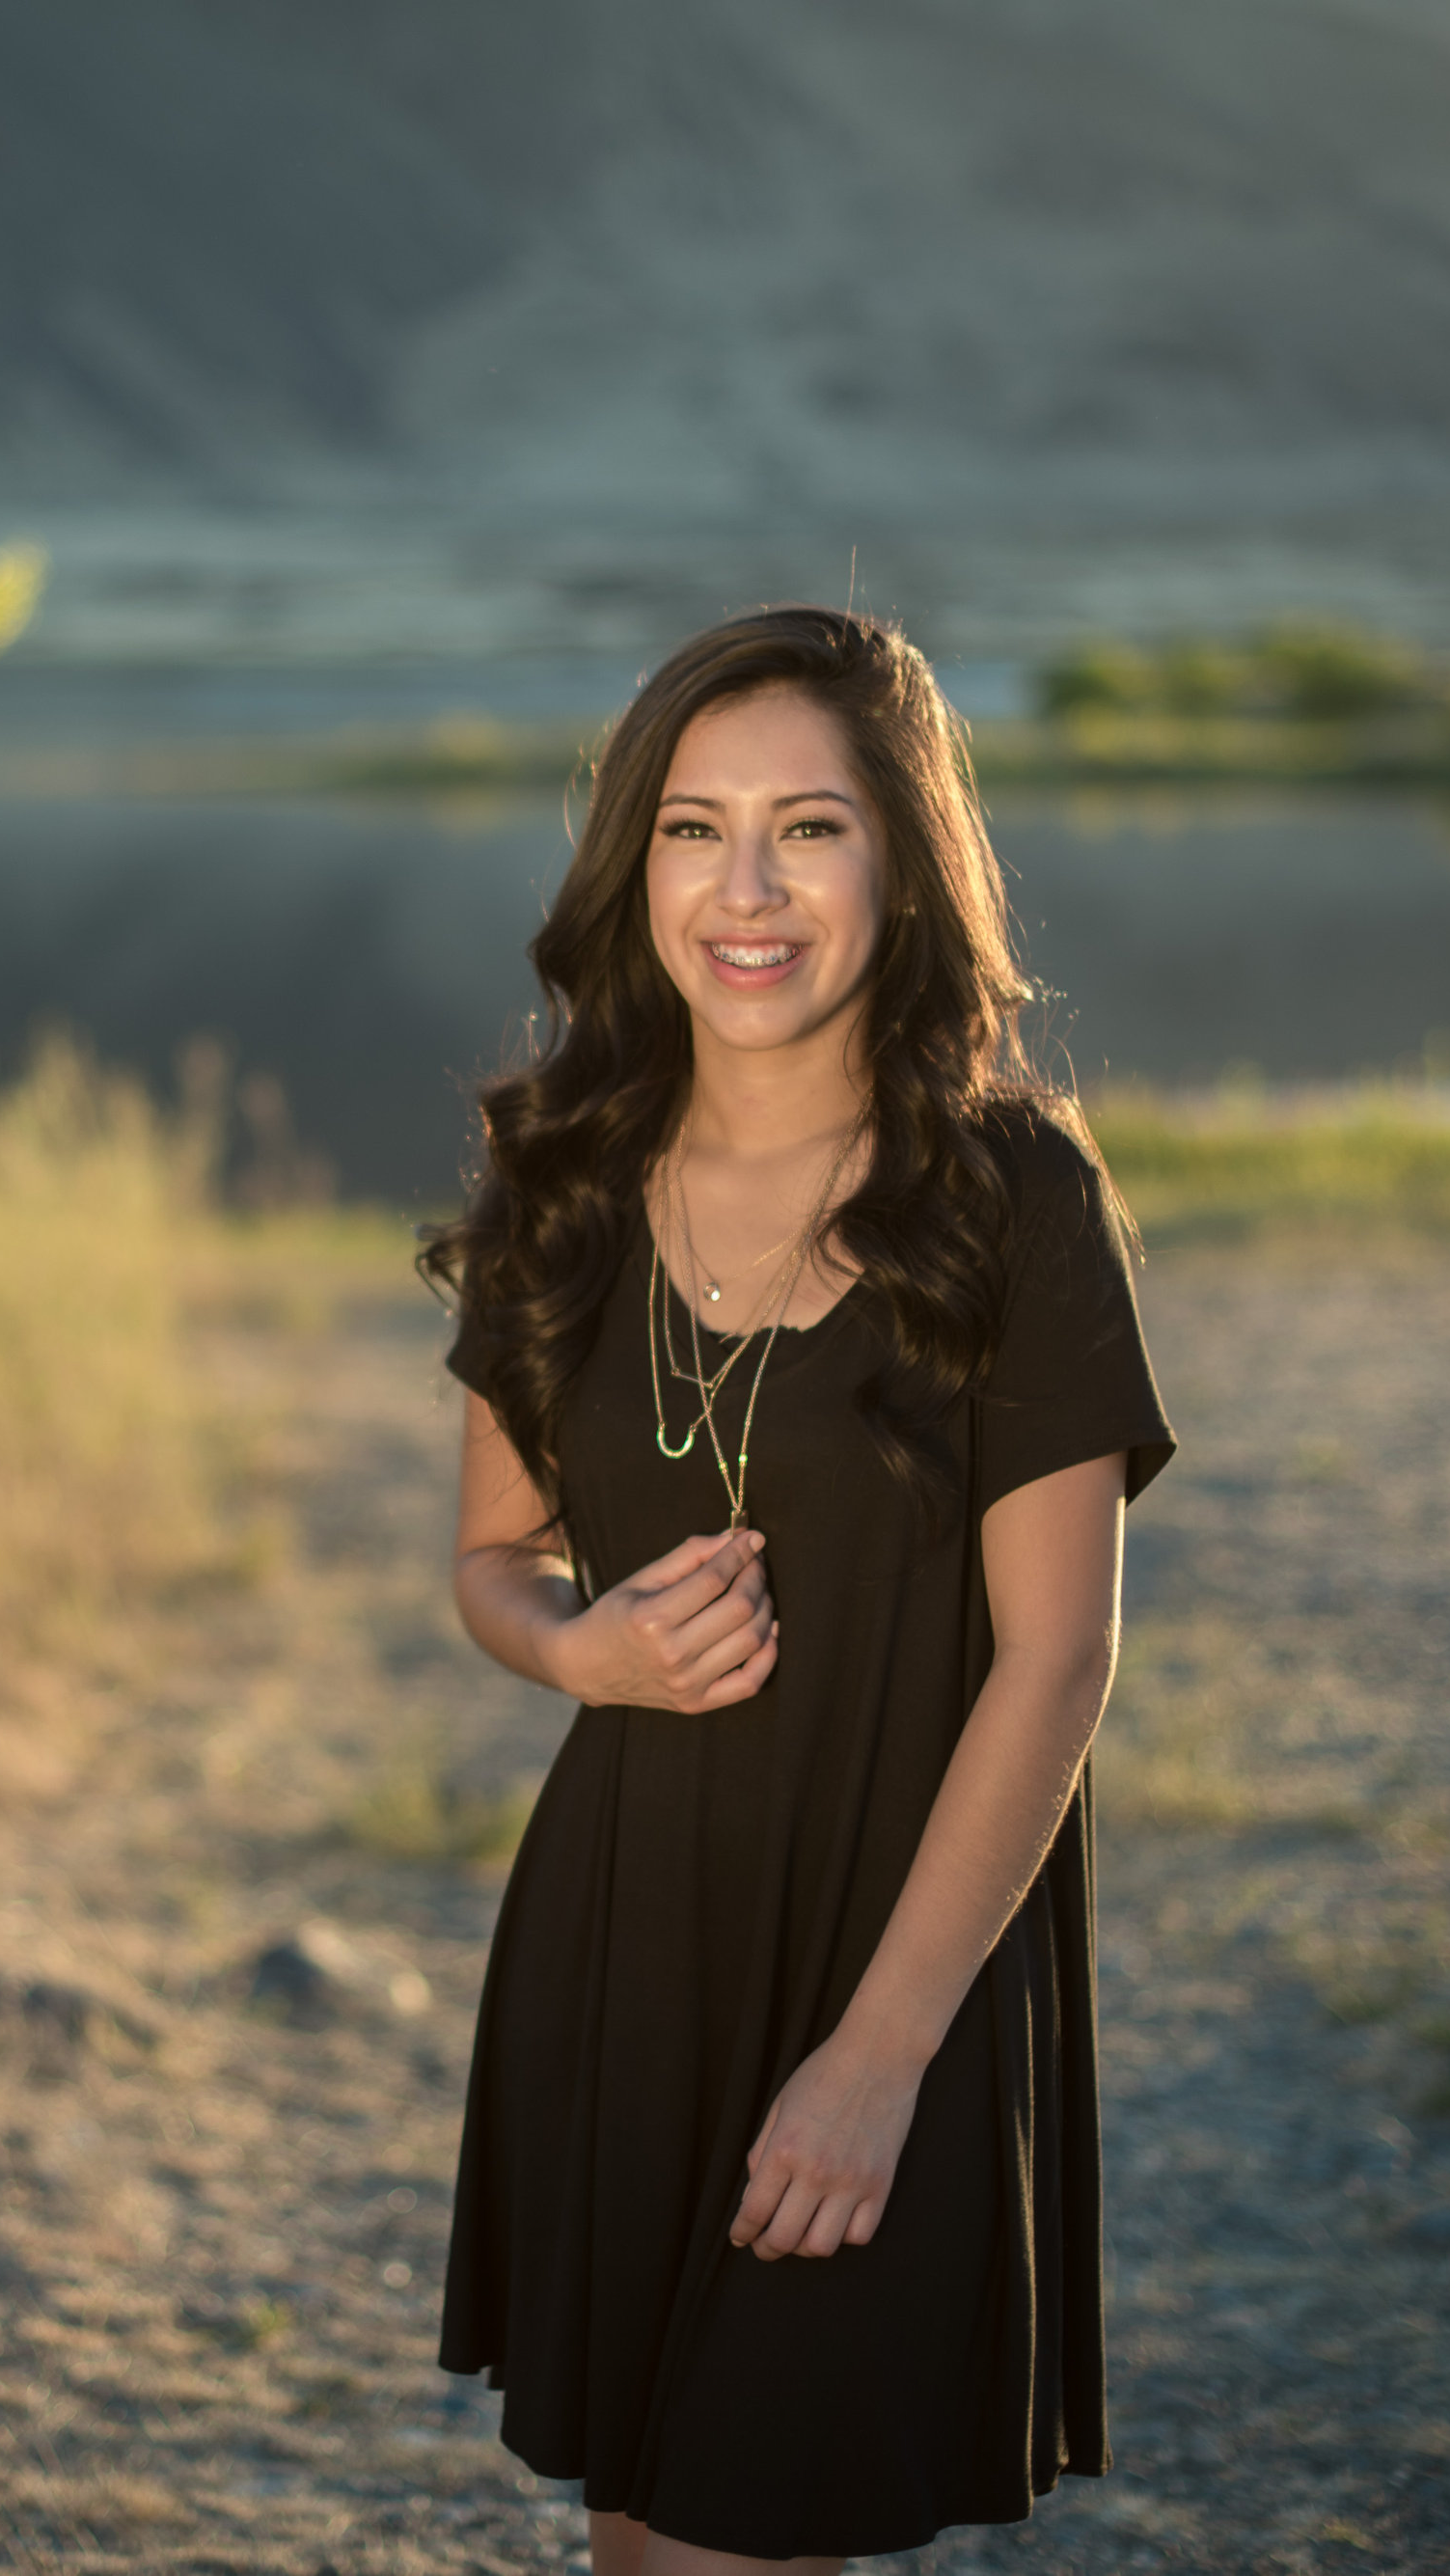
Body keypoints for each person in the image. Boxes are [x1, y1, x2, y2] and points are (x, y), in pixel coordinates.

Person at [421, 605, 1174, 2572]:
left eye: (807, 830)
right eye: (691, 828)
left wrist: (873, 2058)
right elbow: (490, 1567)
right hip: (626, 1956)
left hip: (891, 1971)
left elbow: (1058, 1657)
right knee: (639, 2547)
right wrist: (575, 1648)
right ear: (631, 863)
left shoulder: (1010, 1199)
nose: (742, 892)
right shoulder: (557, 1183)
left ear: (901, 864)